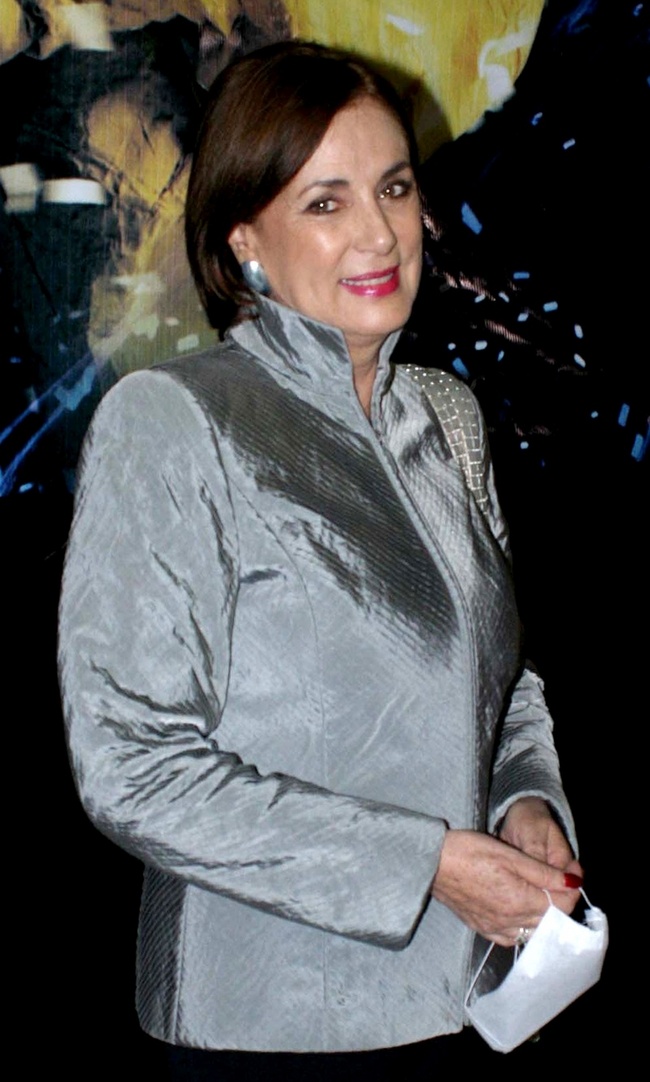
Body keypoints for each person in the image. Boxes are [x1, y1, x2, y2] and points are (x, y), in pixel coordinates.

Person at [59, 40, 583, 1079]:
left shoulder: (446, 417)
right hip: (268, 1032)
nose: (378, 232)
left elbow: (499, 683)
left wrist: (525, 802)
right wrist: (424, 864)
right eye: (325, 202)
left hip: (467, 1003)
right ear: (244, 237)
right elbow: (131, 764)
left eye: (393, 187)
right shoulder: (172, 421)